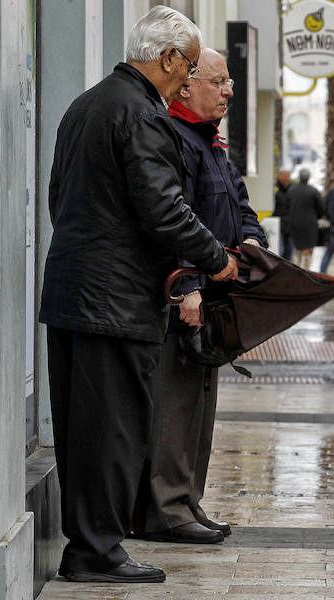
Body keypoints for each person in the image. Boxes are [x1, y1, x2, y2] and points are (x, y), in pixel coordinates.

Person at [40, 6, 238, 584]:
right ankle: (97, 553)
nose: (190, 76)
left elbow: (61, 198)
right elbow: (164, 210)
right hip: (116, 303)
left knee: (82, 430)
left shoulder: (88, 105)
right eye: (191, 65)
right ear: (169, 57)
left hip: (75, 293)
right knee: (115, 430)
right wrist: (217, 258)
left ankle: (90, 547)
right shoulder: (141, 113)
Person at [132, 48, 267, 545]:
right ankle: (166, 511)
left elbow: (242, 207)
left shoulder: (212, 144)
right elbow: (167, 220)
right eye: (220, 81)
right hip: (183, 299)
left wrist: (253, 240)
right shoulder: (174, 138)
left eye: (230, 82)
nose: (229, 91)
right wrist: (187, 285)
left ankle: (188, 501)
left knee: (201, 407)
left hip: (215, 296)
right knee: (175, 407)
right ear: (186, 86)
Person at [284, 168, 325, 269]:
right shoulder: (313, 191)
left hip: (294, 224)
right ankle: (306, 272)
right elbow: (321, 208)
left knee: (296, 250)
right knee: (308, 251)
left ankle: (296, 272)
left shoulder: (291, 190)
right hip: (309, 226)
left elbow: (286, 206)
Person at [273, 170, 294, 259]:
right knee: (279, 250)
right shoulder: (274, 190)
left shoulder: (292, 190)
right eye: (284, 176)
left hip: (290, 225)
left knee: (289, 250)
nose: (286, 178)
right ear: (279, 177)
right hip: (277, 224)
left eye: (288, 176)